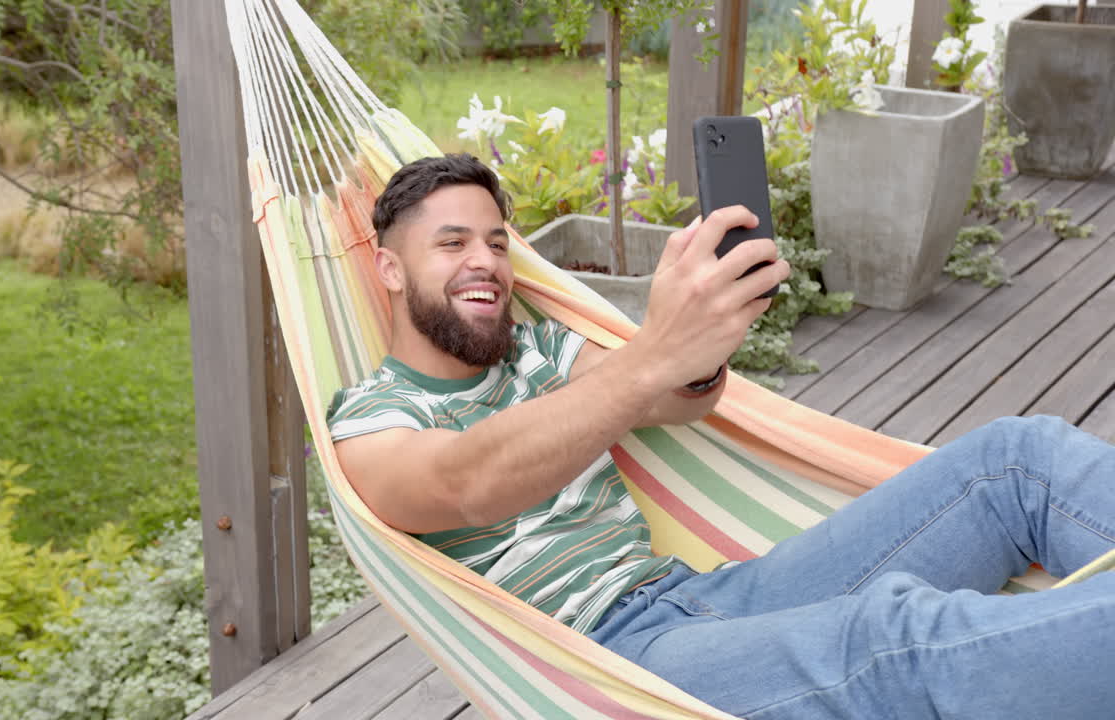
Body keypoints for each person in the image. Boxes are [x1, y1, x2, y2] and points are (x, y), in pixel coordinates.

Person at [327, 153, 1115, 719]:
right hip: (607, 669)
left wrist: (702, 339)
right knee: (888, 639)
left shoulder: (540, 353)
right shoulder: (370, 419)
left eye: (497, 243)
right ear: (390, 271)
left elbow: (678, 399)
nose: (486, 263)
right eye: (453, 243)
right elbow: (464, 484)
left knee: (1016, 462)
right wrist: (650, 358)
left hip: (698, 599)